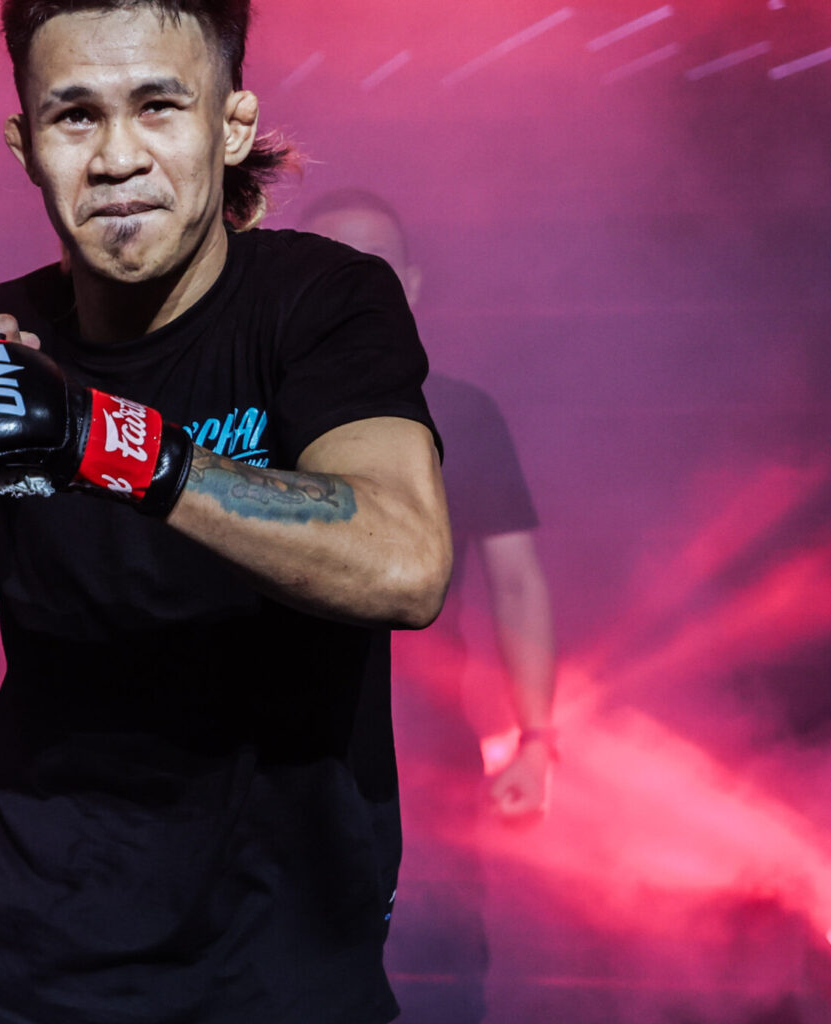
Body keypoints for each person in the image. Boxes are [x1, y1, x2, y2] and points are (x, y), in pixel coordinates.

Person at [0, 2, 454, 1022]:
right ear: (26, 146)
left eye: (159, 108)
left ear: (230, 127)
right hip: (11, 969)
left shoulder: (321, 301)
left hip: (281, 971)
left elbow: (404, 562)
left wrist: (100, 439)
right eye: (76, 117)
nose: (119, 158)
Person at [303, 188, 559, 1024]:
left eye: (375, 267)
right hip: (281, 761)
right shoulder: (251, 409)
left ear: (411, 285)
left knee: (436, 978)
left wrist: (536, 738)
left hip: (427, 765)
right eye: (336, 266)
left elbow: (517, 583)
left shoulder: (465, 414)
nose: (358, 284)